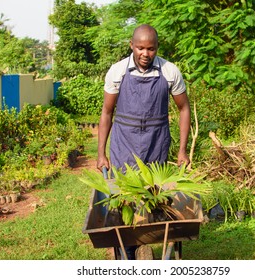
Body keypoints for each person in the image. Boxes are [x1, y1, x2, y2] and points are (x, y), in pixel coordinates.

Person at [96, 24, 191, 259]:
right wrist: (101, 153)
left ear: (157, 48)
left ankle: (148, 236)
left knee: (154, 195)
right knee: (125, 196)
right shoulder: (117, 72)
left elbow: (184, 108)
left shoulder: (170, 72)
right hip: (124, 142)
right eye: (140, 48)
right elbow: (107, 113)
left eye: (150, 49)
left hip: (156, 141)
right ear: (131, 46)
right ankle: (128, 245)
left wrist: (182, 150)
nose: (145, 54)